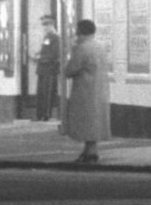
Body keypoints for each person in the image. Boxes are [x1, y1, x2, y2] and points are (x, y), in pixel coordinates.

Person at [63, 17, 111, 166]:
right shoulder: (101, 46)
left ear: (80, 32)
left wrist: (71, 52)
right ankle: (90, 150)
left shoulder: (82, 48)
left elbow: (70, 70)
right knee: (95, 119)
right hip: (100, 89)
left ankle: (90, 152)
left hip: (84, 90)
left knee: (85, 120)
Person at [34, 15, 61, 122]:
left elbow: (54, 54)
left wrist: (41, 57)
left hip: (49, 69)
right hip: (42, 69)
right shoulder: (47, 37)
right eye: (43, 25)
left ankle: (46, 114)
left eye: (46, 24)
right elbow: (45, 51)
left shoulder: (55, 37)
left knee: (47, 92)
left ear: (52, 25)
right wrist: (38, 55)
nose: (44, 27)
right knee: (41, 92)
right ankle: (40, 114)